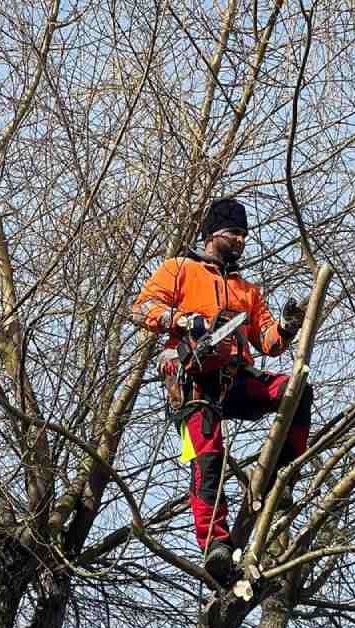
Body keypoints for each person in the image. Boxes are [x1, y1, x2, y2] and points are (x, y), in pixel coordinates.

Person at [132, 198, 311, 585]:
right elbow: (142, 307)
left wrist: (286, 327)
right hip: (193, 383)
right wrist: (182, 319)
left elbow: (267, 341)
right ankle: (216, 544)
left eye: (245, 235)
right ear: (214, 234)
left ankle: (282, 476)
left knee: (295, 389)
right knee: (207, 458)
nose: (242, 241)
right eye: (235, 233)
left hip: (235, 379)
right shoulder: (179, 270)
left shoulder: (247, 291)